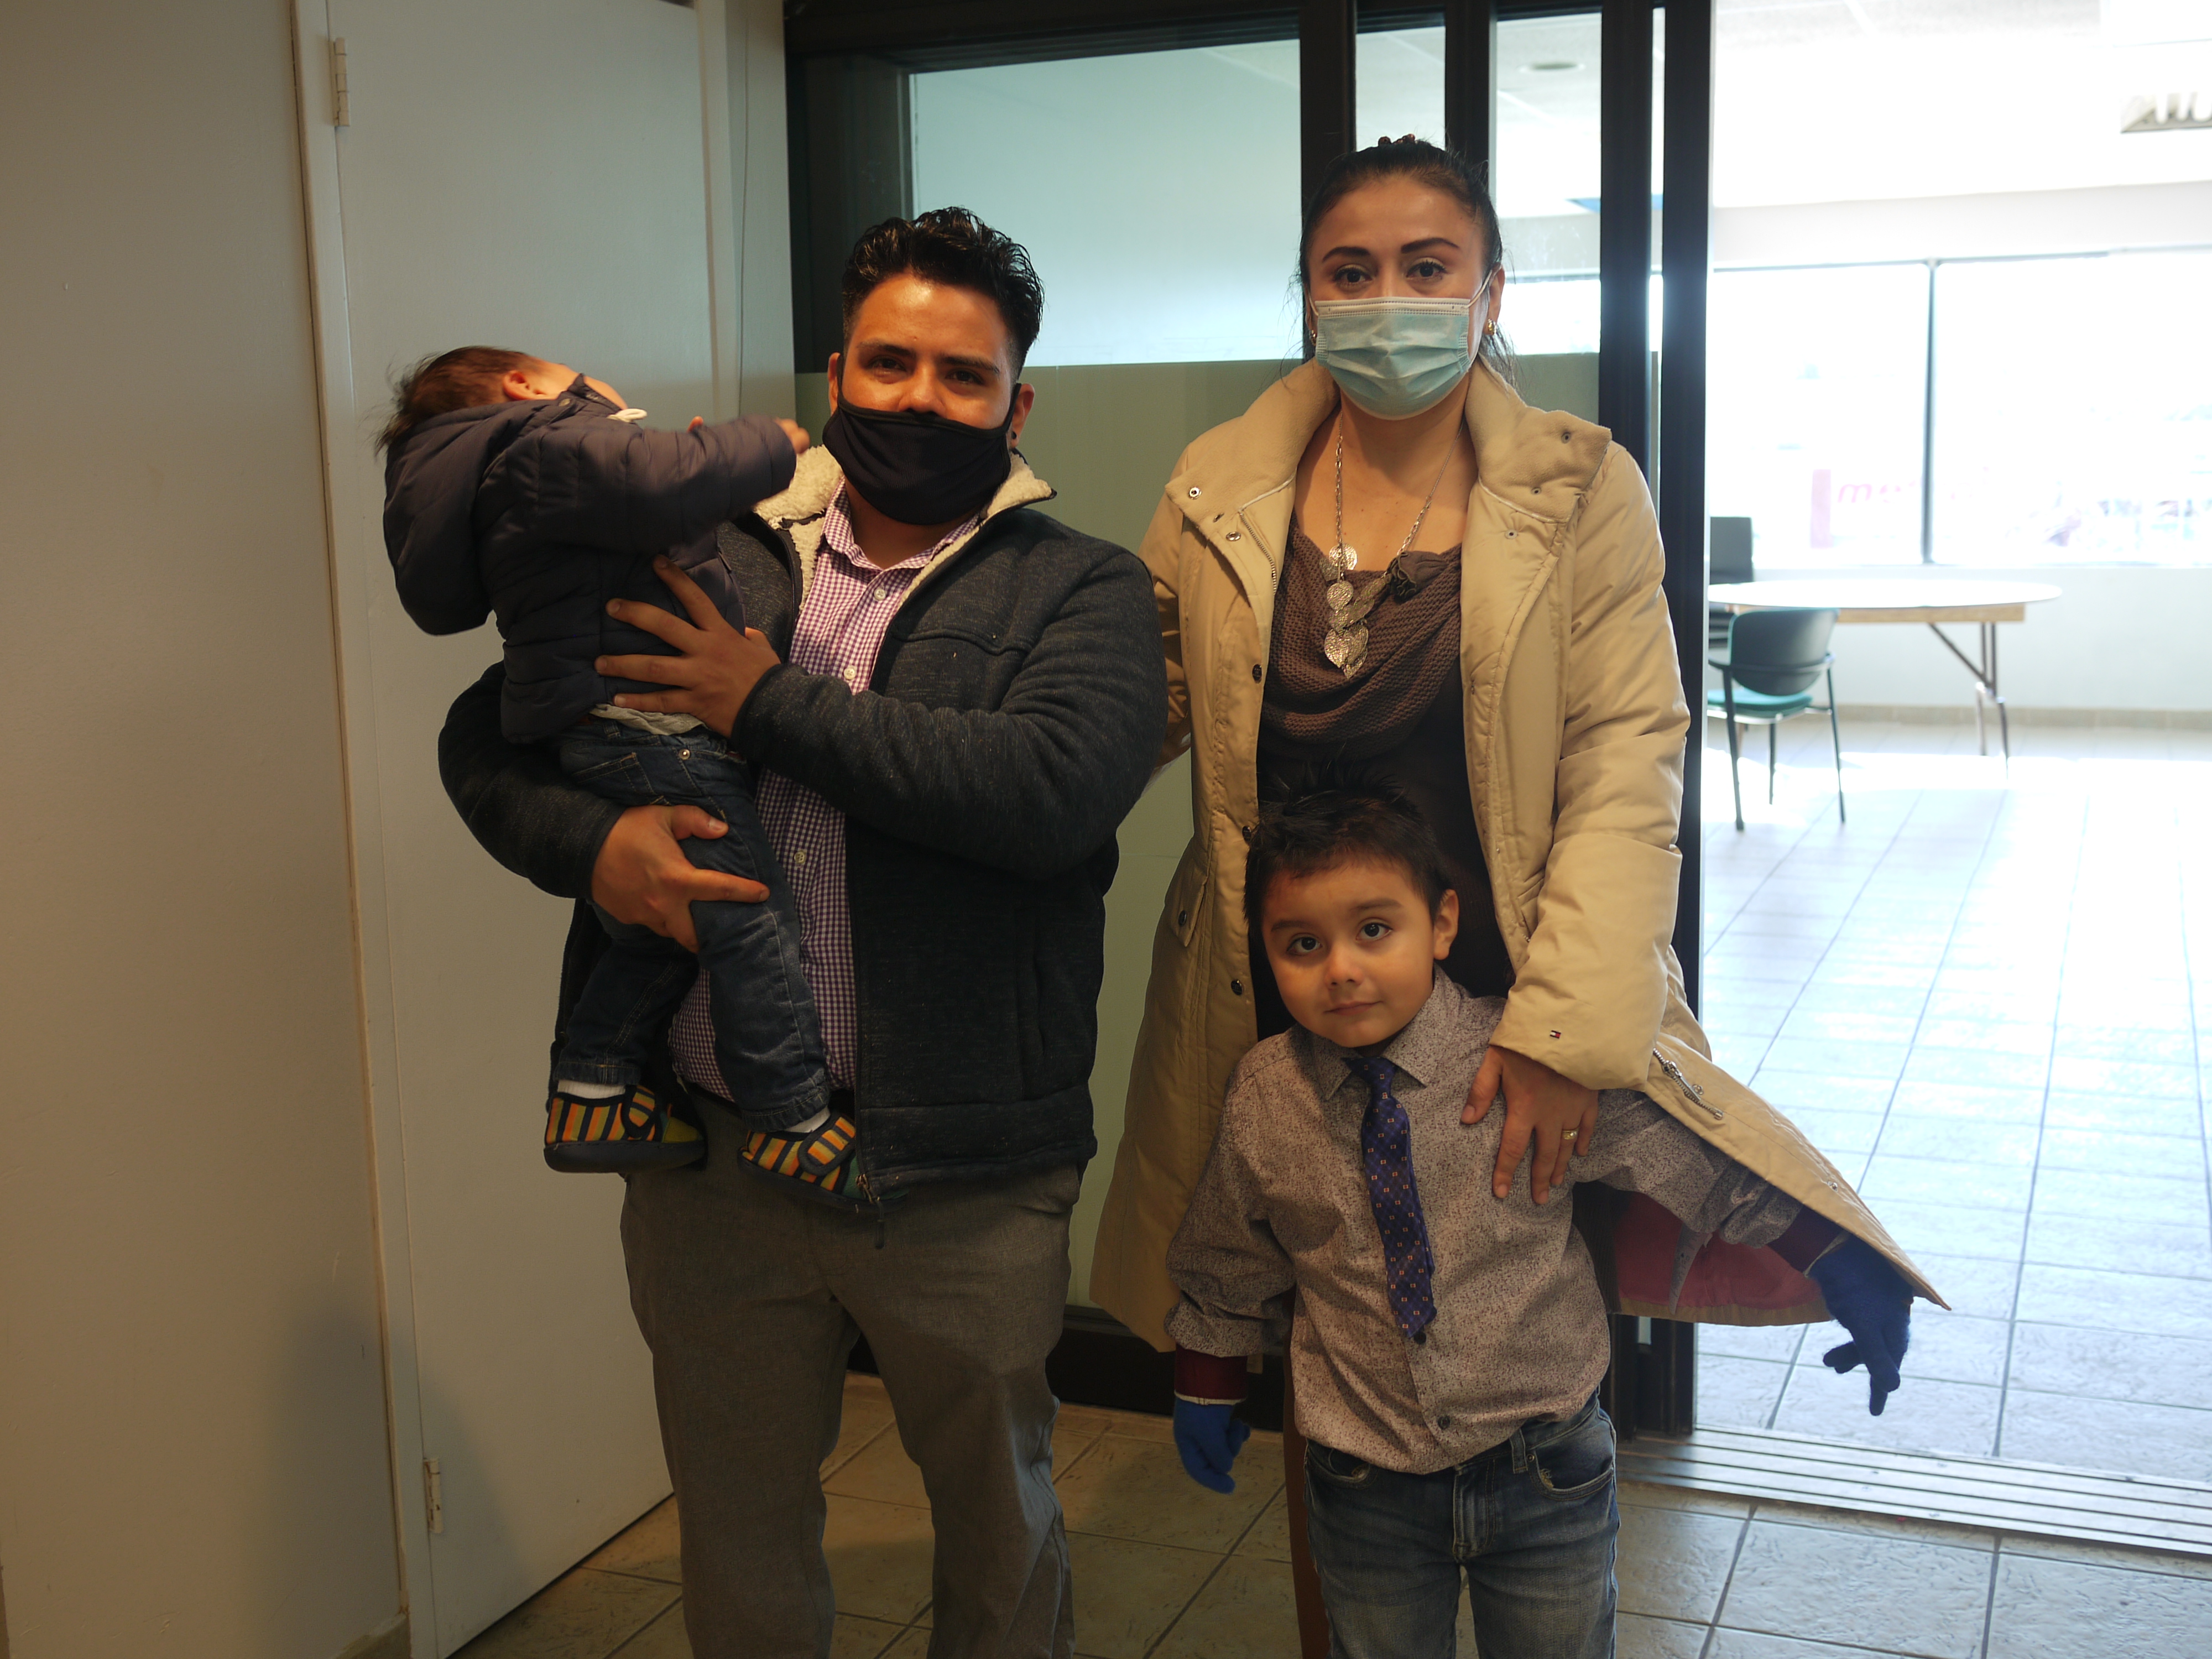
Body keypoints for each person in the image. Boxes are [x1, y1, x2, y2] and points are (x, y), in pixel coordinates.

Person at [1084, 138, 1942, 1652]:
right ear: (1307, 295)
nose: (1388, 300)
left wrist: (1561, 1034)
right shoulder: (1221, 487)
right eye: (1350, 271)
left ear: (1490, 292)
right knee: (1335, 1397)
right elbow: (1124, 709)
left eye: (1428, 268)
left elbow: (1625, 757)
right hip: (1287, 1007)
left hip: (1513, 1023)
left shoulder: (1575, 484)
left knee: (1521, 1358)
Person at [436, 208, 1167, 1657]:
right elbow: (486, 737)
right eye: (889, 363)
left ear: (1017, 406)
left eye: (964, 376)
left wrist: (759, 702)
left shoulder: (1080, 586)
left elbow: (1051, 795)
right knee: (739, 1531)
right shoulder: (696, 543)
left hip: (964, 1168)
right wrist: (599, 848)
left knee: (1001, 1529)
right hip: (714, 1157)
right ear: (836, 373)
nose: (919, 399)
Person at [1163, 789, 1917, 1658]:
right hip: (1366, 1481)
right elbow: (1229, 1253)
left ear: (1442, 923)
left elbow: (1686, 1155)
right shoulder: (1265, 1096)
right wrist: (1207, 1377)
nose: (1340, 970)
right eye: (1303, 944)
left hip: (1546, 1471)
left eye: (1373, 929)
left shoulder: (1531, 1060)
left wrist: (1837, 1257)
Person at [381, 349, 834, 1175]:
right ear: (524, 386)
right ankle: (794, 1120)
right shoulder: (546, 446)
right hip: (653, 731)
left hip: (601, 731)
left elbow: (654, 495)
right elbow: (663, 478)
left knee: (659, 936)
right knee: (748, 917)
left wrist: (695, 490)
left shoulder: (521, 486)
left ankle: (593, 1089)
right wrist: (763, 446)